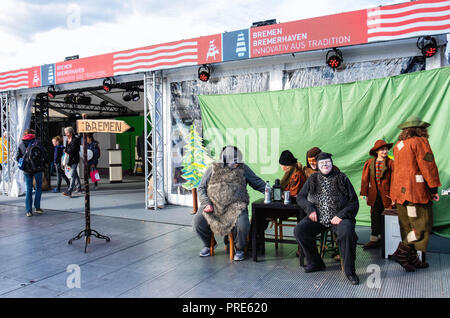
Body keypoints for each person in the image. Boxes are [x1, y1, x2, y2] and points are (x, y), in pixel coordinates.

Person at [295, 152, 360, 285]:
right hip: (318, 217)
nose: (325, 165)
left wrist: (341, 215)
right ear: (318, 166)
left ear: (331, 163)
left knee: (347, 232)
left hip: (339, 217)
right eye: (322, 163)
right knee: (300, 230)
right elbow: (300, 197)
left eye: (327, 162)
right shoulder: (312, 179)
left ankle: (350, 271)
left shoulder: (342, 178)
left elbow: (354, 202)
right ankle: (316, 263)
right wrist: (310, 209)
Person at [194, 145, 266, 261]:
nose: (236, 163)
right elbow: (201, 188)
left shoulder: (243, 169)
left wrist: (272, 192)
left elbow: (258, 183)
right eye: (233, 160)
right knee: (198, 221)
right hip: (214, 206)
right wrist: (206, 203)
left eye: (238, 159)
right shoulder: (212, 169)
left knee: (243, 225)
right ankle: (208, 244)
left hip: (236, 206)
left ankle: (239, 248)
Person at [390, 115, 441, 271]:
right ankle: (401, 252)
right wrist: (433, 189)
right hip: (415, 194)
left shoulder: (399, 145)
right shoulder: (420, 142)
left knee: (407, 227)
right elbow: (428, 166)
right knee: (420, 226)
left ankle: (412, 259)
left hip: (400, 194)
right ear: (420, 129)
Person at [360, 140, 394, 249]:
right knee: (375, 217)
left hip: (387, 196)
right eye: (382, 149)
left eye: (386, 149)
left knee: (387, 218)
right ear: (377, 151)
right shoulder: (370, 163)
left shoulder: (391, 163)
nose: (385, 151)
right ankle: (374, 240)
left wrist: (394, 196)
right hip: (374, 195)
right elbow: (365, 179)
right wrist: (364, 193)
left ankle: (387, 240)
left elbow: (395, 180)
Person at [16, 129, 47, 217]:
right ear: (32, 134)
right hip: (37, 169)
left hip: (27, 170)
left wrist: (24, 162)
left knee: (29, 189)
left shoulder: (22, 144)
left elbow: (17, 157)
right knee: (38, 187)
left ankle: (28, 210)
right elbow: (44, 154)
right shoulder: (37, 143)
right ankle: (37, 207)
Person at [63, 126, 81, 197]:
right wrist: (66, 150)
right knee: (75, 173)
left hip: (75, 159)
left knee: (73, 175)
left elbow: (73, 150)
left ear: (70, 132)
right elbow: (67, 148)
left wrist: (66, 150)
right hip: (70, 159)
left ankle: (70, 190)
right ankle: (79, 186)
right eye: (65, 133)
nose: (66, 134)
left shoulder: (75, 139)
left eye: (67, 132)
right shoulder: (67, 140)